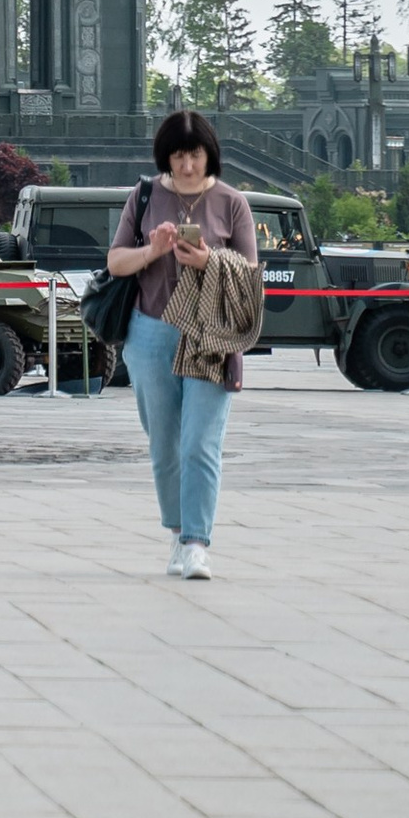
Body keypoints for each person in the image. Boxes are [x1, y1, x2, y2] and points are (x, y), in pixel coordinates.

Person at [105, 107, 262, 582]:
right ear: (165, 156)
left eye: (194, 155)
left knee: (200, 442)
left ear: (208, 154)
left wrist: (209, 260)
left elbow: (252, 277)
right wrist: (153, 250)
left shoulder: (233, 203)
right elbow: (115, 262)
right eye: (178, 156)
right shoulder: (145, 195)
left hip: (210, 335)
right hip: (150, 332)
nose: (187, 166)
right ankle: (176, 532)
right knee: (165, 446)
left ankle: (197, 543)